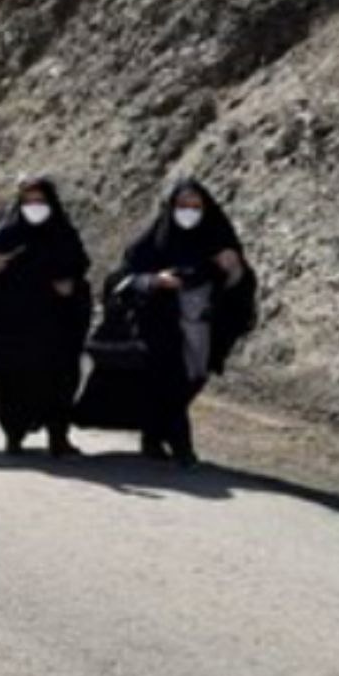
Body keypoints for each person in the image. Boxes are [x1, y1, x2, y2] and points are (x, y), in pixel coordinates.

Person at [114, 178, 256, 467]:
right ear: (170, 207)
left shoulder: (219, 241)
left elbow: (241, 289)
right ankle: (182, 448)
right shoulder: (154, 241)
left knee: (192, 379)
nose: (188, 211)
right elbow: (122, 281)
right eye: (182, 205)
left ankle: (153, 436)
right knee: (170, 379)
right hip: (160, 325)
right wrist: (155, 281)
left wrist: (235, 272)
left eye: (195, 206)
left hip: (203, 329)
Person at [0, 177, 92, 456]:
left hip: (55, 326)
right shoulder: (7, 235)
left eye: (40, 202)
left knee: (59, 380)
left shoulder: (64, 234)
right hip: (13, 327)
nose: (34, 207)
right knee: (12, 380)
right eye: (28, 202)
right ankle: (14, 434)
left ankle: (58, 436)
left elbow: (79, 268)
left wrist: (71, 284)